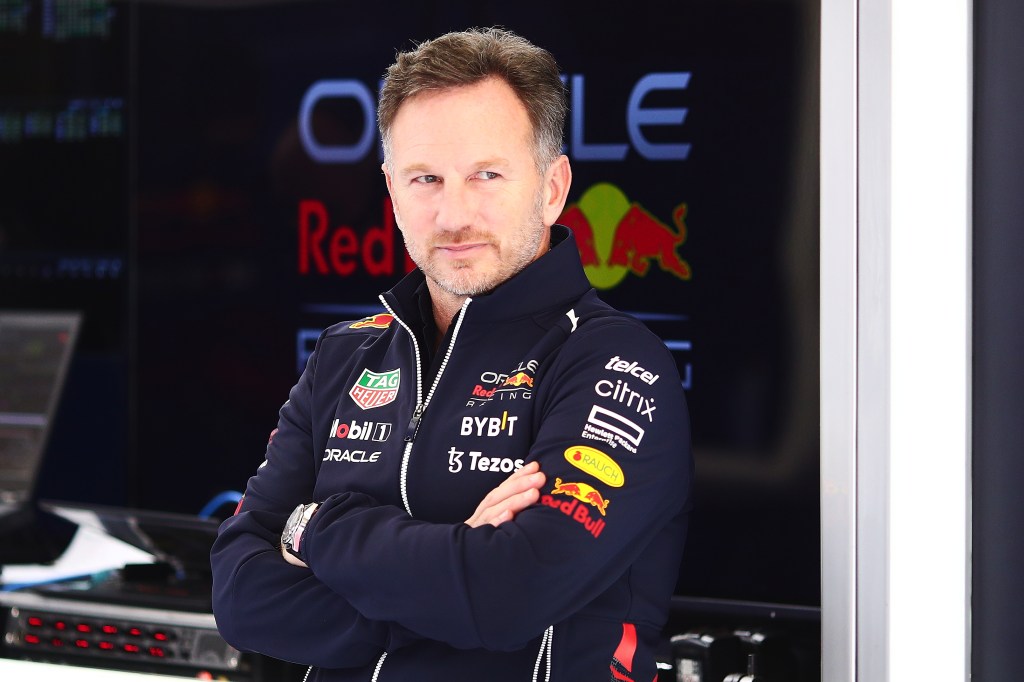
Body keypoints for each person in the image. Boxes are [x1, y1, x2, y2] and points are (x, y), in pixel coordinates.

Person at [210, 27, 693, 682]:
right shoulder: (343, 356)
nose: (453, 213)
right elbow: (240, 600)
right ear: (392, 190)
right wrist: (449, 581)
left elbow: (508, 595)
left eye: (486, 175)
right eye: (425, 178)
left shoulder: (614, 365)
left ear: (553, 187)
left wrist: (316, 529)